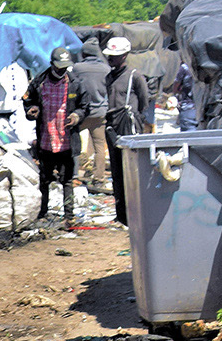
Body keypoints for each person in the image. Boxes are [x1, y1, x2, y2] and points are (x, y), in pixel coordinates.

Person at [22, 47, 86, 225]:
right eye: (59, 67)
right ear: (52, 65)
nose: (62, 71)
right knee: (44, 180)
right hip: (46, 139)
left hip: (66, 141)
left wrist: (76, 116)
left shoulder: (75, 83)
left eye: (64, 67)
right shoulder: (39, 82)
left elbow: (84, 106)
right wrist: (31, 111)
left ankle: (69, 216)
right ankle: (42, 213)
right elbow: (28, 100)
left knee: (67, 180)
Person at [101, 36, 152, 226]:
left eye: (114, 56)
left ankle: (134, 213)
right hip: (112, 123)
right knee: (116, 169)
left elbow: (144, 101)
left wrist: (135, 119)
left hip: (129, 125)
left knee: (131, 169)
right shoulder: (109, 77)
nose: (110, 59)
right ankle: (121, 214)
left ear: (124, 56)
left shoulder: (135, 76)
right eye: (109, 56)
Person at [73, 45, 113, 194]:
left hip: (81, 113)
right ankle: (99, 177)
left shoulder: (77, 68)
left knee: (74, 143)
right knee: (99, 146)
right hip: (100, 113)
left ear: (83, 53)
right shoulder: (106, 69)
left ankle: (74, 175)